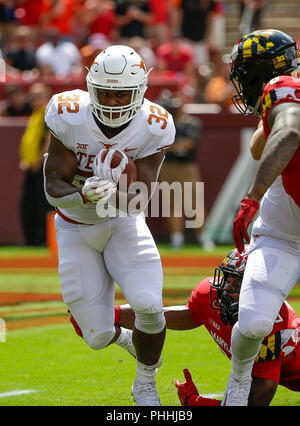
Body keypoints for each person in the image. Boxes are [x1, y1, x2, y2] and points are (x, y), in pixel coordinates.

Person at [43, 45, 175, 406]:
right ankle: (125, 339)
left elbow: (140, 198)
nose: (114, 101)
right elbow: (53, 188)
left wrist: (115, 195)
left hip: (122, 221)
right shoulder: (68, 113)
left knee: (149, 304)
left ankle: (145, 384)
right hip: (75, 228)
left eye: (122, 93)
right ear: (90, 87)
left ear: (140, 92)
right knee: (97, 336)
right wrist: (86, 193)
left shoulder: (154, 124)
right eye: (105, 92)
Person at [101, 248, 300, 406]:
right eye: (227, 279)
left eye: (237, 284)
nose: (226, 290)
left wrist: (198, 402)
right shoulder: (209, 294)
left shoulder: (270, 323)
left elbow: (258, 399)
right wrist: (111, 314)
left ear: (254, 288)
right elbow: (167, 317)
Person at [222, 29, 300, 405]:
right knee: (253, 322)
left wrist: (251, 197)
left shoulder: (284, 91)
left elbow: (288, 134)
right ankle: (238, 382)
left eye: (245, 74)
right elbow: (263, 144)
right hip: (283, 232)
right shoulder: (284, 91)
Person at [158, 91, 215, 250]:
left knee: (194, 203)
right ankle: (177, 238)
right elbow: (161, 145)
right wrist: (172, 147)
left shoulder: (192, 123)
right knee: (172, 204)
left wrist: (171, 147)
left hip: (187, 167)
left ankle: (203, 237)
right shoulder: (165, 123)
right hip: (168, 166)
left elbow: (189, 143)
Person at [19, 82, 53, 246]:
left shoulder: (48, 112)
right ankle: (33, 239)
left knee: (41, 204)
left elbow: (49, 138)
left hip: (42, 166)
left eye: (37, 95)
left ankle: (43, 239)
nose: (34, 99)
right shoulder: (36, 113)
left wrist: (39, 160)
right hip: (32, 165)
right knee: (29, 203)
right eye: (32, 96)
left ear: (46, 96)